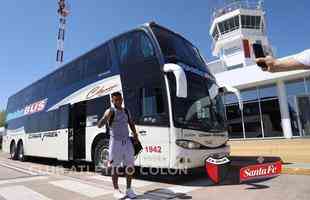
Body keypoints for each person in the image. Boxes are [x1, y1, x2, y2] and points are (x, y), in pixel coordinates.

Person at [97, 92, 139, 199]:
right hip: (115, 143)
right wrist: (105, 118)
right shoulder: (110, 111)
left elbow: (131, 123)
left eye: (119, 99)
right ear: (112, 101)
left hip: (127, 142)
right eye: (115, 100)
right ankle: (116, 190)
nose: (118, 102)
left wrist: (135, 134)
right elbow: (99, 125)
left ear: (122, 99)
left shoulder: (126, 111)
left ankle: (129, 189)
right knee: (115, 167)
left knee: (130, 165)